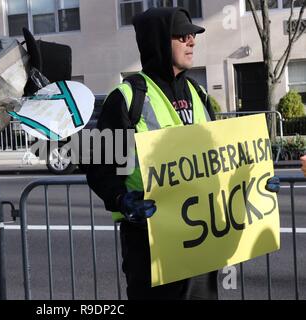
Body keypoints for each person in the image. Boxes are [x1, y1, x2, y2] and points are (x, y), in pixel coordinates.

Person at [86, 7, 218, 300]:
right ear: (158, 40)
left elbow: (218, 157)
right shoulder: (127, 97)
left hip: (201, 240)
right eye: (182, 36)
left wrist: (251, 186)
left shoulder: (198, 92)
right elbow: (100, 168)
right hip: (149, 242)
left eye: (192, 35)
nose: (191, 41)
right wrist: (122, 199)